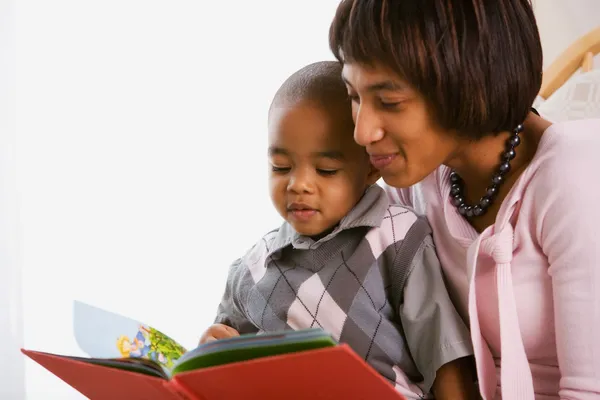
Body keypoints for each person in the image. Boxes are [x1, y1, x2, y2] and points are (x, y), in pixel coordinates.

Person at [328, 1, 600, 399]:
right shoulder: (416, 180)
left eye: (389, 102)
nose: (362, 131)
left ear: (466, 80)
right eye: (353, 95)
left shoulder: (575, 176)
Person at [199, 61, 478, 399]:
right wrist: (209, 356)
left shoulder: (397, 237)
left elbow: (444, 352)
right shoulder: (249, 274)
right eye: (281, 167)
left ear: (371, 169)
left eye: (326, 170)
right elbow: (216, 369)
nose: (299, 184)